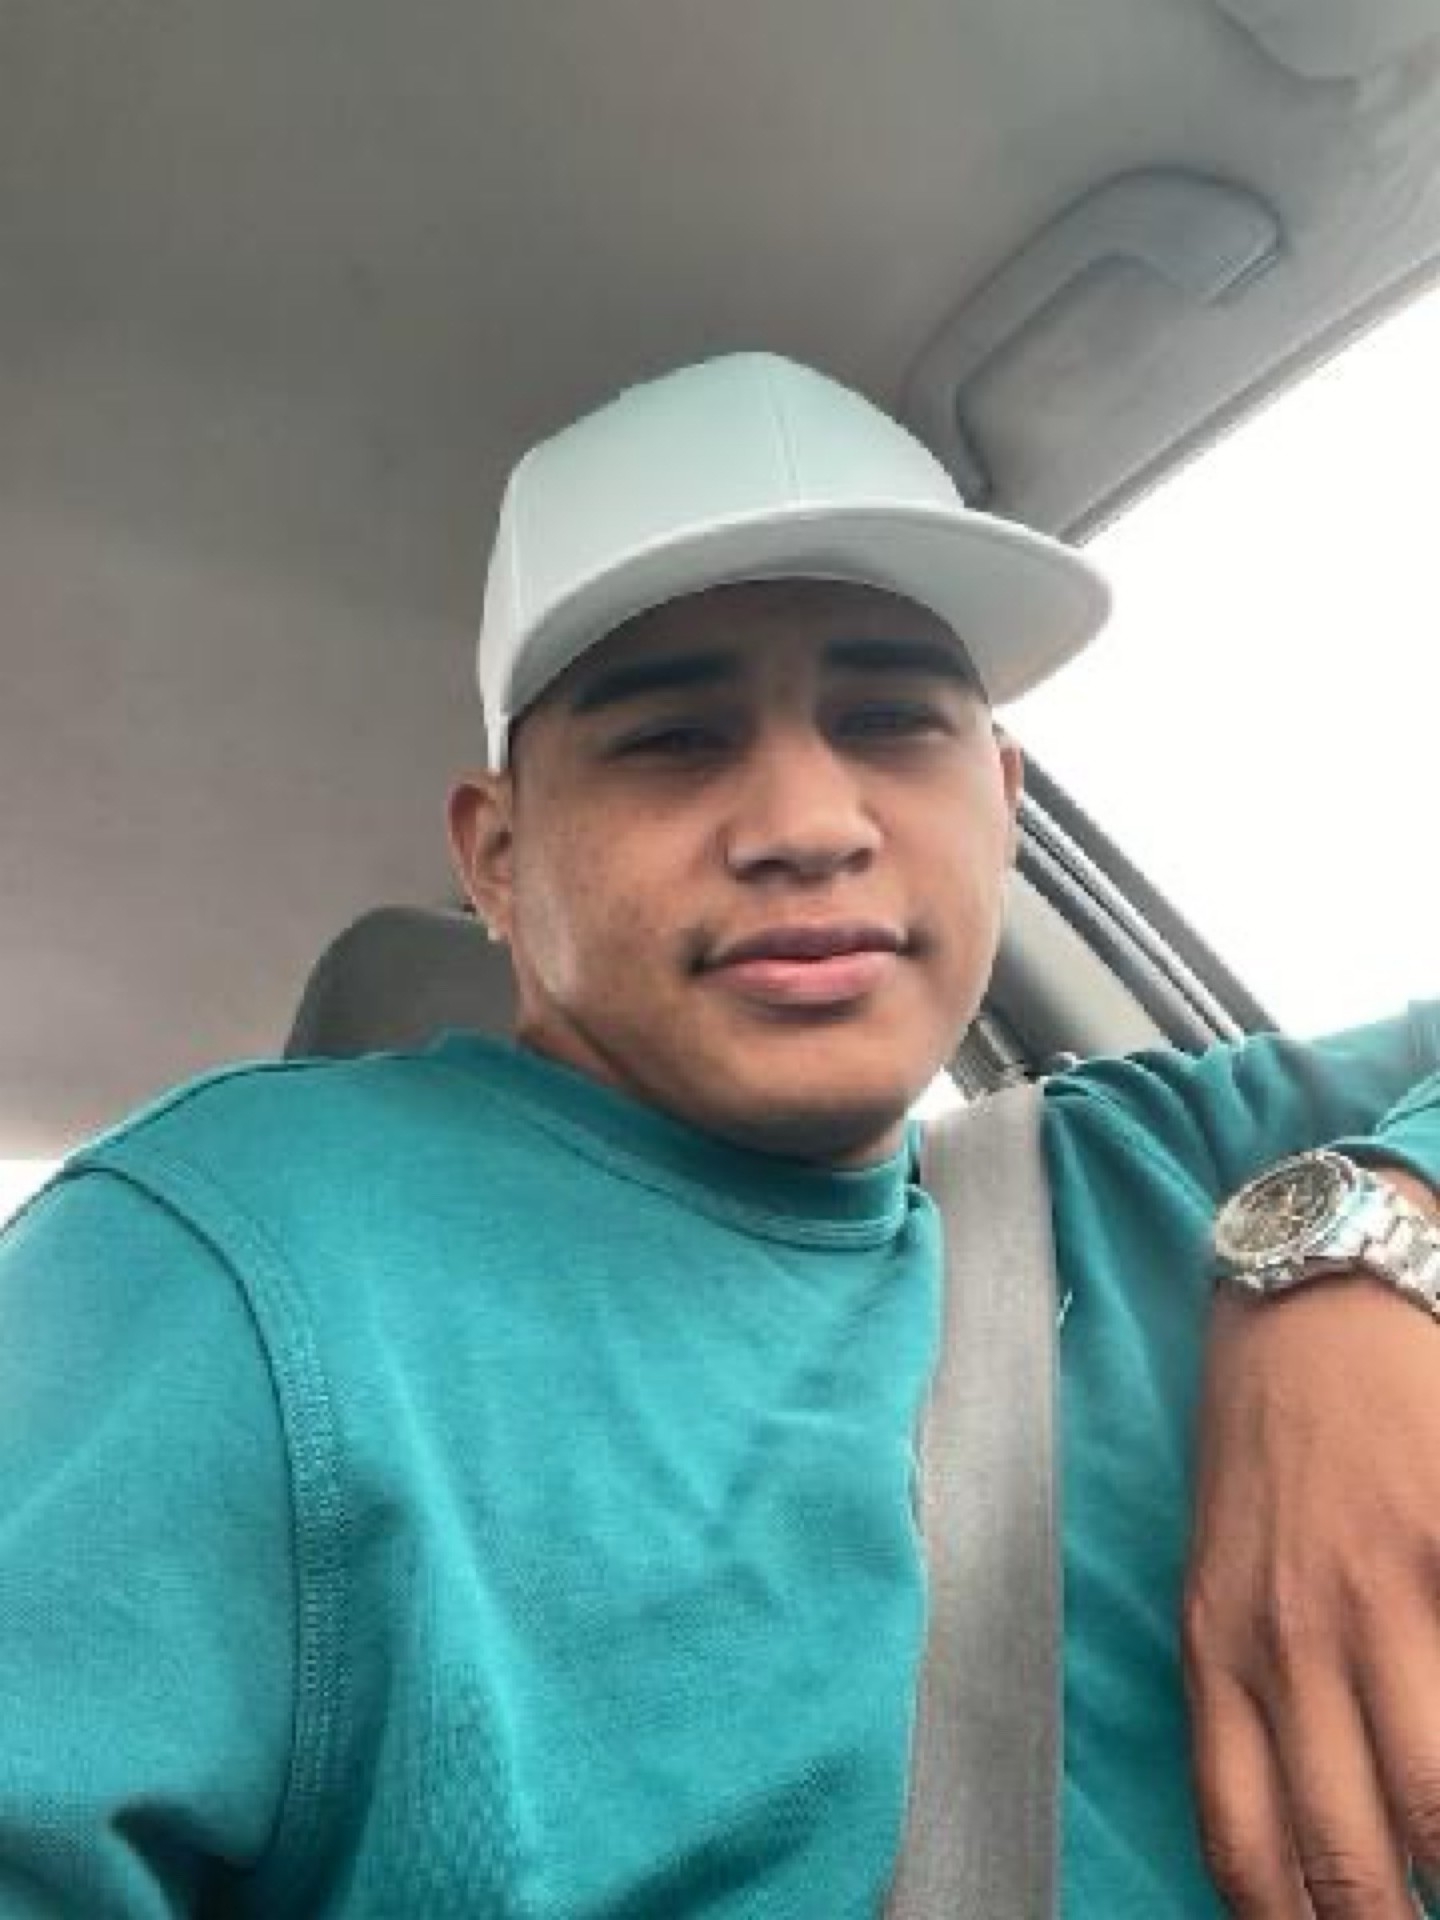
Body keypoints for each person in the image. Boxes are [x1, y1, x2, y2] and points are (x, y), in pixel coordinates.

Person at [0, 351, 1437, 1919]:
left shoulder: (1180, 1165)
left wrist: (1370, 1241)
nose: (810, 825)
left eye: (890, 719)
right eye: (674, 738)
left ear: (1002, 797)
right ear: (497, 857)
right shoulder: (225, 1255)